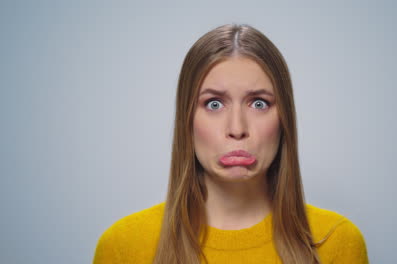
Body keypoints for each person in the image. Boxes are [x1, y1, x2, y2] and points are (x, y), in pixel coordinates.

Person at [93, 23, 369, 264]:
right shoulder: (124, 246)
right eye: (214, 104)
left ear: (284, 118)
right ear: (186, 120)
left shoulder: (336, 242)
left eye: (259, 103)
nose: (237, 128)